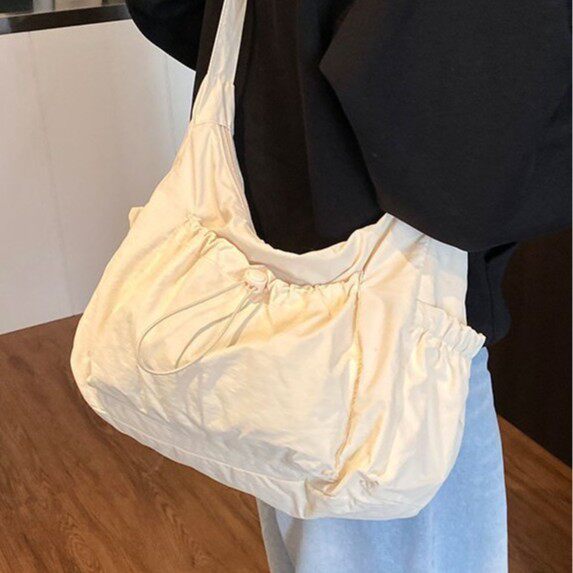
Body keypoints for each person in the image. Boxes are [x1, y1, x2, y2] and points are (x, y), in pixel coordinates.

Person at [124, 1, 571, 571]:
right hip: (387, 322)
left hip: (272, 240)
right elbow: (461, 171)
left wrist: (284, 72)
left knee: (309, 518)